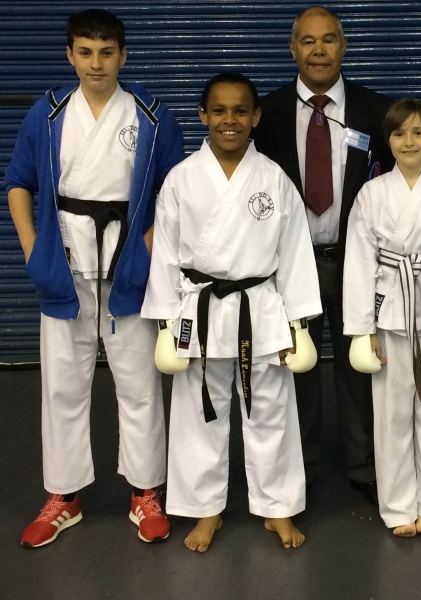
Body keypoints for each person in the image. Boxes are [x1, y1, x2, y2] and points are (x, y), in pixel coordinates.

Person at [5, 9, 184, 548]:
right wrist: (33, 251)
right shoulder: (48, 112)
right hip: (64, 266)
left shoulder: (152, 115)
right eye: (85, 52)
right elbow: (18, 182)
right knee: (62, 385)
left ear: (123, 56)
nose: (96, 63)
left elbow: (175, 193)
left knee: (139, 383)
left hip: (128, 266)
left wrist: (146, 251)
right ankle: (63, 496)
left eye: (106, 53)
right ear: (70, 55)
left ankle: (146, 492)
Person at [142, 72, 322, 552]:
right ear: (203, 115)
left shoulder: (274, 178)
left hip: (259, 309)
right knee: (199, 413)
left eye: (241, 110)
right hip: (200, 310)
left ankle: (277, 507)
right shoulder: (181, 179)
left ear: (256, 116)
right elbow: (165, 256)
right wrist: (165, 324)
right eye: (219, 110)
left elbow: (295, 252)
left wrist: (298, 324)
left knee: (271, 413)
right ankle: (207, 509)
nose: (230, 120)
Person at [252, 5, 394, 505]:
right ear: (293, 48)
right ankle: (300, 464)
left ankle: (365, 464)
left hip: (356, 260)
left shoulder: (376, 112)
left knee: (361, 364)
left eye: (329, 39)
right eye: (308, 41)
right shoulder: (264, 115)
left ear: (344, 46)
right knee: (296, 365)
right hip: (291, 264)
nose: (318, 50)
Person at [343, 99, 421, 537]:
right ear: (388, 140)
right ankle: (397, 507)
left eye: (417, 132)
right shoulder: (372, 193)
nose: (408, 142)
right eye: (399, 134)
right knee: (391, 417)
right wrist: (362, 330)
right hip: (390, 313)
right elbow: (359, 262)